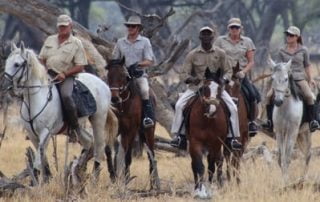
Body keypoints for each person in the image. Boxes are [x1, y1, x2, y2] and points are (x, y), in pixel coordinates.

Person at [170, 26, 242, 151]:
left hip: (216, 88)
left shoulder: (220, 53)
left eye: (209, 35)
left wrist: (224, 80)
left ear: (212, 37)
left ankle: (233, 138)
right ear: (200, 37)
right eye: (204, 35)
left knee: (233, 107)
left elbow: (228, 70)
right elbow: (183, 74)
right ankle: (178, 136)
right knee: (179, 105)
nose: (206, 37)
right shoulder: (192, 54)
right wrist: (192, 79)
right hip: (196, 88)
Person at [39, 14, 88, 142]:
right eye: (60, 26)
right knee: (33, 91)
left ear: (70, 26)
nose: (62, 28)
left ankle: (74, 128)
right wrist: (43, 68)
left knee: (66, 96)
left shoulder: (76, 43)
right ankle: (34, 125)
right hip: (48, 74)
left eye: (65, 26)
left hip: (65, 77)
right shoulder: (50, 40)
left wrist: (65, 74)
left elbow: (81, 66)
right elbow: (42, 58)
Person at [262, 26, 320, 132]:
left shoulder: (304, 50)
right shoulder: (281, 50)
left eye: (291, 35)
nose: (288, 37)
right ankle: (269, 121)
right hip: (284, 79)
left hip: (299, 78)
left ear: (297, 37)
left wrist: (310, 78)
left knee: (309, 96)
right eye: (287, 35)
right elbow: (278, 66)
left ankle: (312, 121)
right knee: (269, 95)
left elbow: (307, 65)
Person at [215, 17, 260, 136]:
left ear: (241, 29)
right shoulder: (220, 41)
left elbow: (251, 61)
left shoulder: (247, 41)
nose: (234, 29)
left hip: (240, 75)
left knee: (253, 95)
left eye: (237, 27)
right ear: (228, 28)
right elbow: (215, 56)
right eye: (232, 27)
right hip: (224, 74)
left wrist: (244, 72)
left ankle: (251, 122)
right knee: (210, 92)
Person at [112, 15, 156, 128]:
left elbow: (149, 61)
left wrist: (137, 64)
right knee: (111, 90)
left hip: (139, 75)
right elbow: (115, 60)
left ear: (138, 28)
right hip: (123, 76)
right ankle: (109, 117)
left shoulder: (145, 42)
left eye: (133, 26)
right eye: (129, 26)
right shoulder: (120, 42)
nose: (130, 28)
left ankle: (147, 117)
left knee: (145, 91)